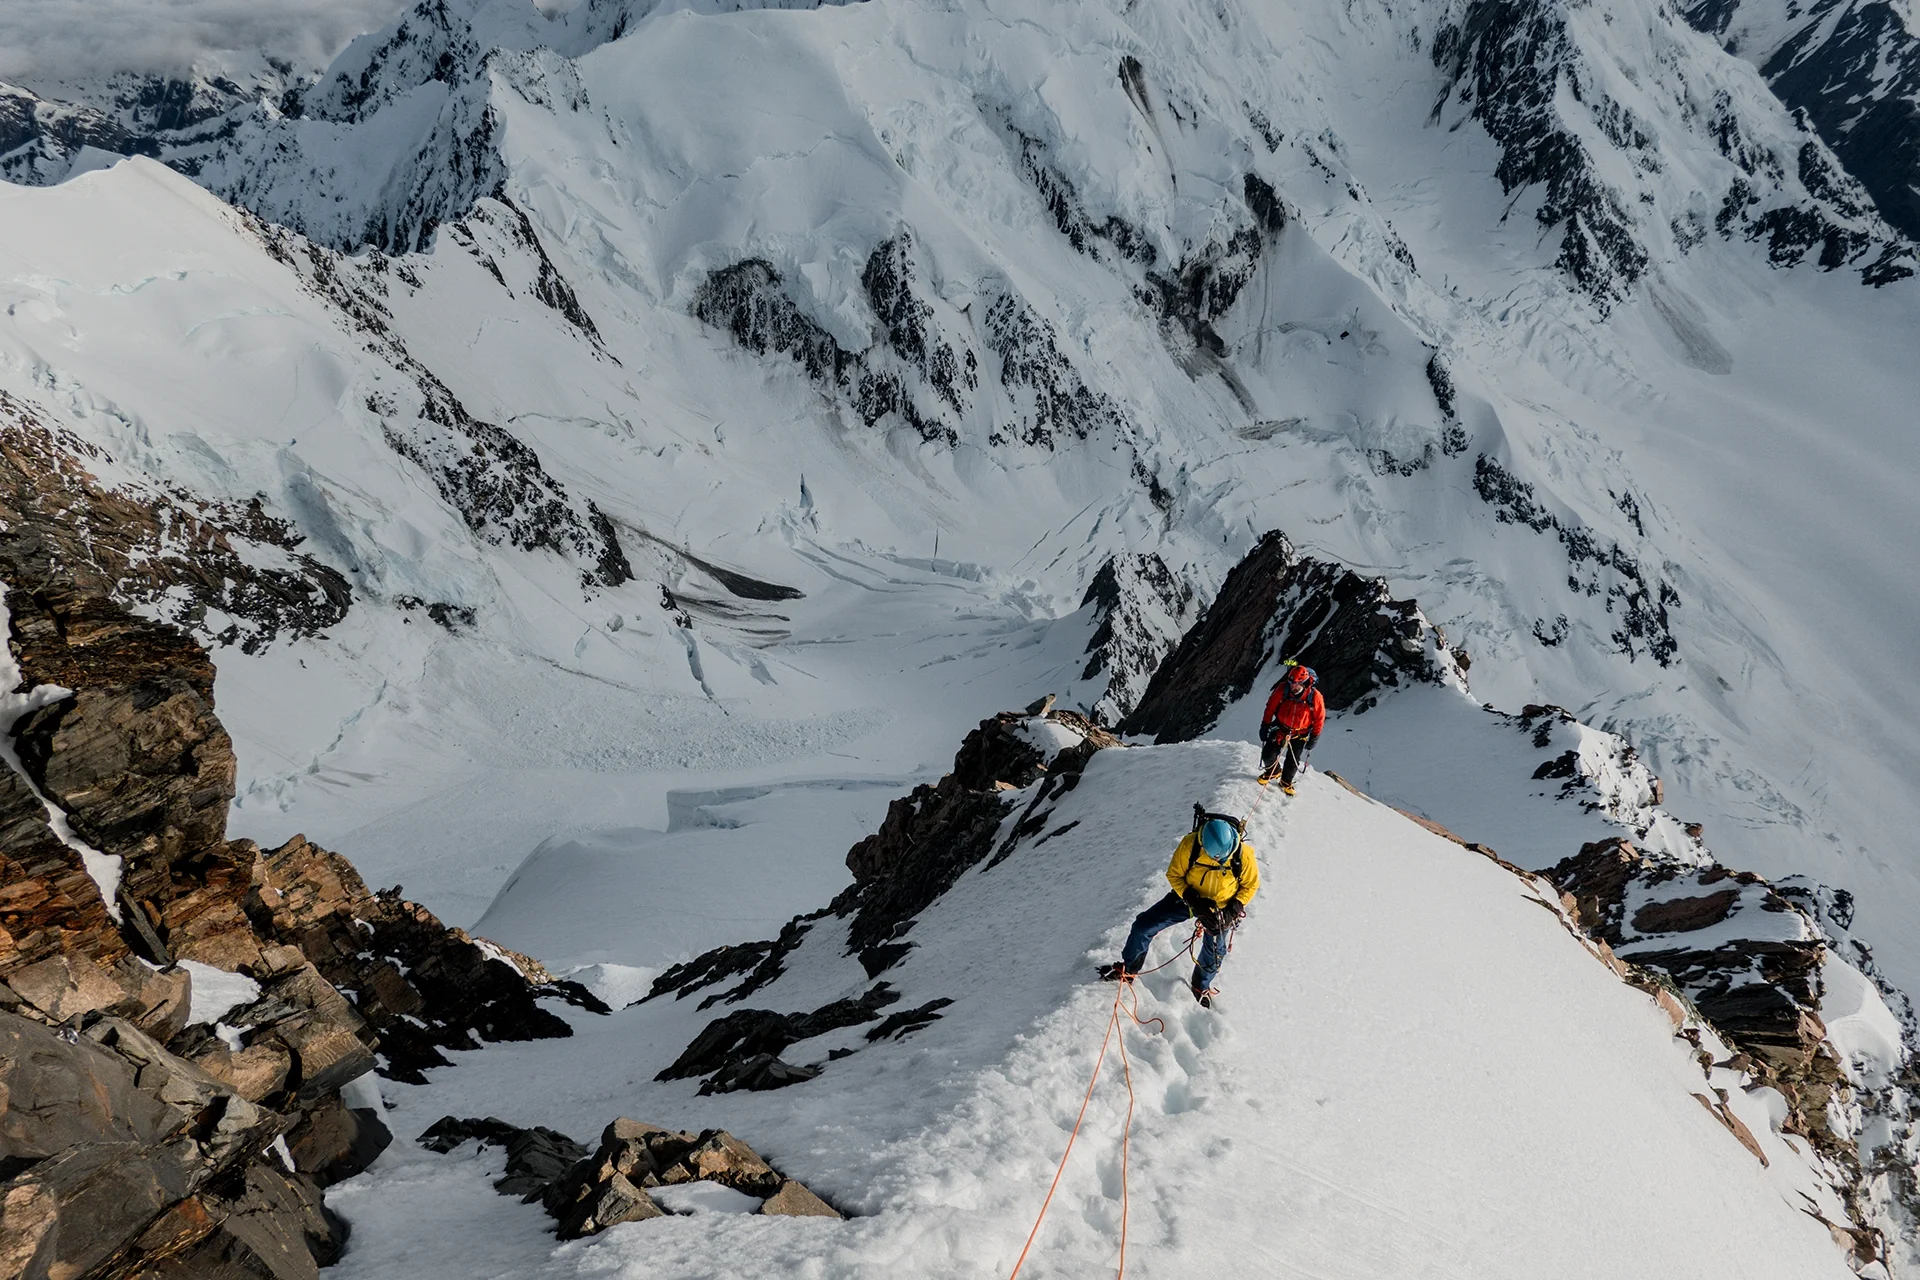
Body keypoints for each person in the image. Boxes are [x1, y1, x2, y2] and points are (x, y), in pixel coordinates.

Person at [1100, 808, 1259, 1006]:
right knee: (1143, 926)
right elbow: (1174, 874)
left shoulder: (1243, 854)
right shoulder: (1190, 845)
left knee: (1216, 950)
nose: (1218, 861)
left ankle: (1201, 985)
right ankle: (1129, 969)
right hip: (1188, 898)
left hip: (1221, 906)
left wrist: (1232, 910)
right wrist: (1194, 900)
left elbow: (1250, 885)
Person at [1259, 660, 1324, 794]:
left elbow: (1319, 718)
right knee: (1268, 755)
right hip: (1280, 727)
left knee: (1292, 762)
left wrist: (1314, 737)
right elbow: (1270, 707)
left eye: (1297, 683)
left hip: (1301, 732)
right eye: (1291, 682)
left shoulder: (1315, 696)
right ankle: (1273, 772)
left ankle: (1286, 782)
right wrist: (1265, 725)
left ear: (1305, 683)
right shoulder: (1283, 689)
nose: (1293, 686)